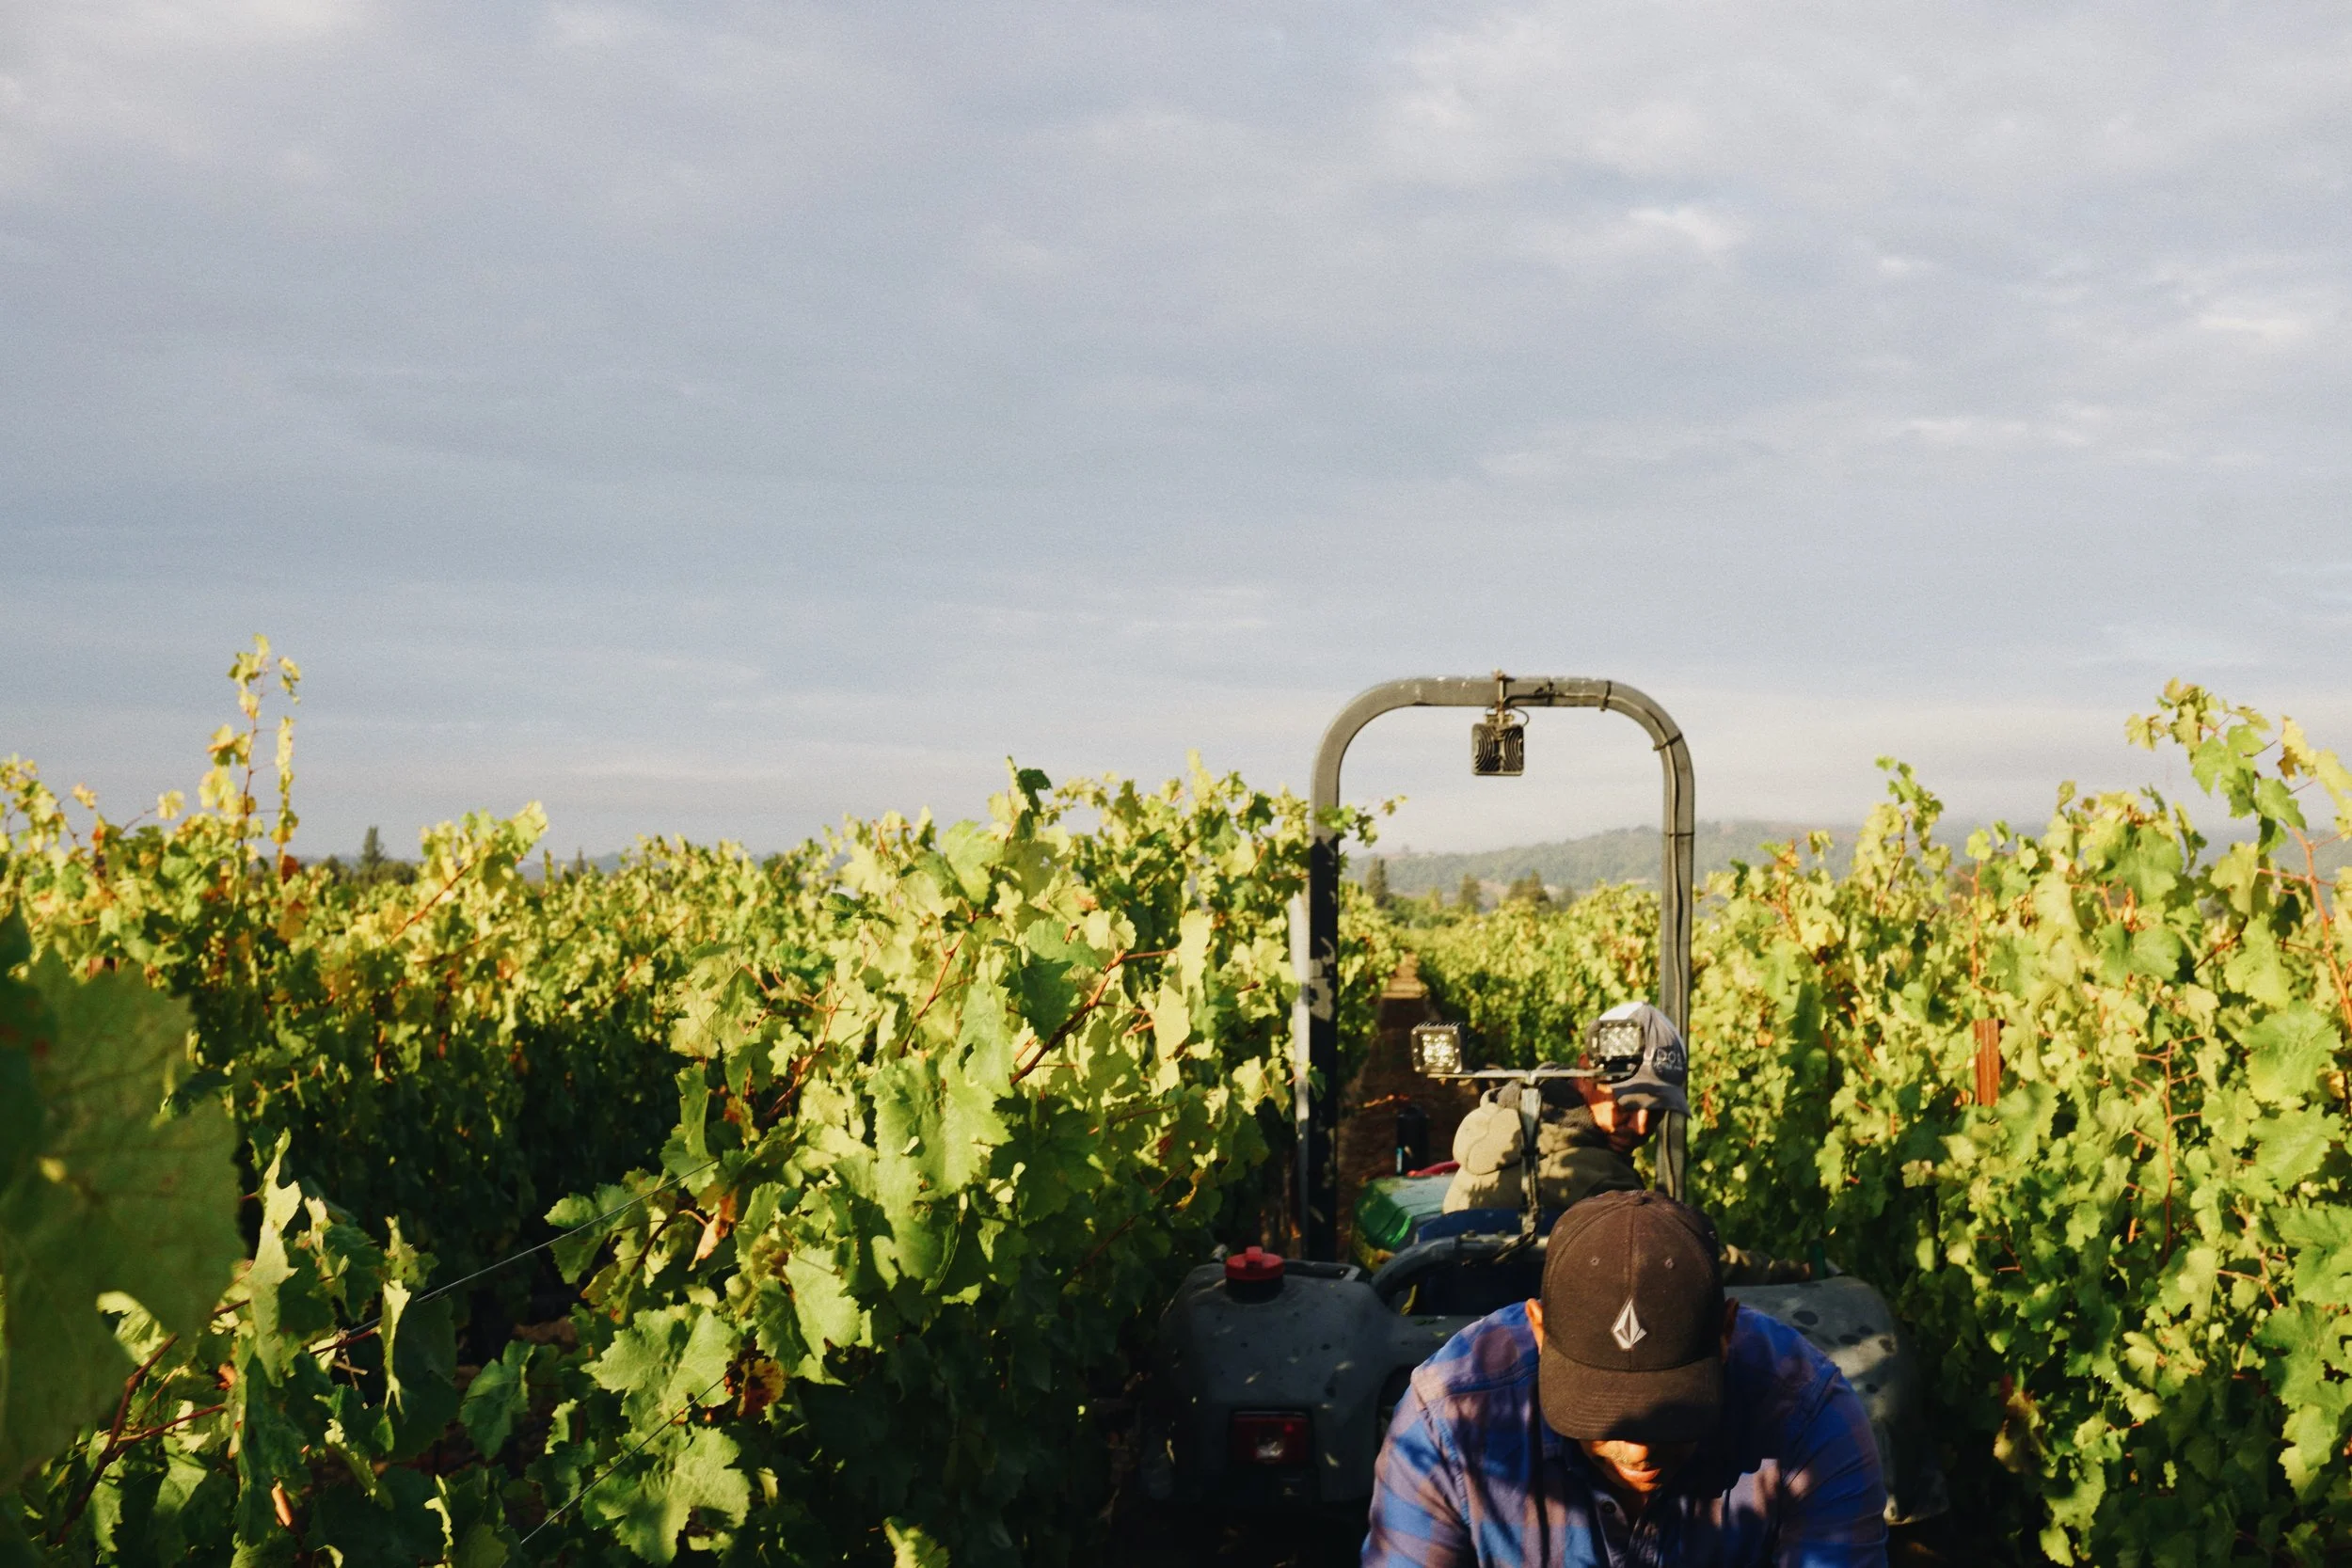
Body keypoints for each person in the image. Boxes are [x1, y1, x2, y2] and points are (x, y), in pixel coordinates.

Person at [1361, 1189, 1888, 1567]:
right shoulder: (1448, 1422)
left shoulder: (1808, 1420)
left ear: (1725, 1335)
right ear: (1540, 1332)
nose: (1638, 1451)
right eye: (1599, 1411)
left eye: (1672, 1413)